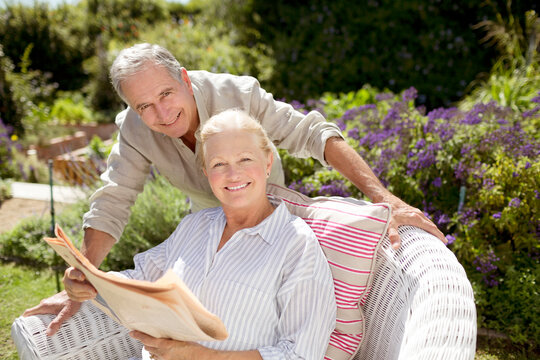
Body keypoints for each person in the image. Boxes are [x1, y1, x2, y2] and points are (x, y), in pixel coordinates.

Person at [23, 43, 445, 335]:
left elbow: (312, 133)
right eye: (143, 106)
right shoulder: (136, 129)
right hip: (208, 221)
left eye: (166, 94)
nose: (161, 113)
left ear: (185, 78)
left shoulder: (236, 94)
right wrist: (86, 271)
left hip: (267, 210)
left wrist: (383, 198)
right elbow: (115, 196)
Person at [67, 110, 337, 359]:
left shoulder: (297, 246)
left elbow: (300, 355)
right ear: (206, 173)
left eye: (245, 159)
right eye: (219, 164)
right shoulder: (196, 226)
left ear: (268, 162)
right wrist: (92, 281)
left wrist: (199, 355)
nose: (233, 174)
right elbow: (140, 277)